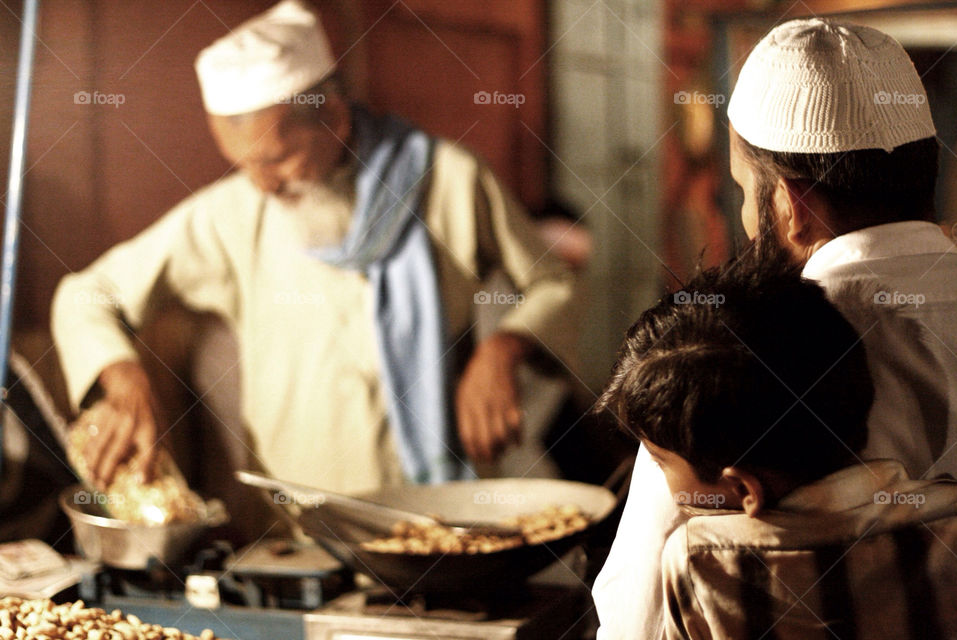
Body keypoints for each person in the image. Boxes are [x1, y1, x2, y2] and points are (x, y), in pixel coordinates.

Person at [51, 0, 578, 496]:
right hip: (300, 522)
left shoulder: (449, 182)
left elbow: (552, 281)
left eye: (276, 159)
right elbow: (85, 294)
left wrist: (503, 349)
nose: (263, 185)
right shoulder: (229, 214)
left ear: (332, 115)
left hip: (442, 511)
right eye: (244, 165)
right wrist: (123, 379)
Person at [593, 17, 957, 638]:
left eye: (742, 189)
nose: (744, 215)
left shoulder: (741, 351)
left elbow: (638, 621)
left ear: (793, 206)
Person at [598, 252, 957, 639]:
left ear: (743, 489)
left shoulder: (699, 560)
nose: (657, 475)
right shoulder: (949, 519)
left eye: (659, 461)